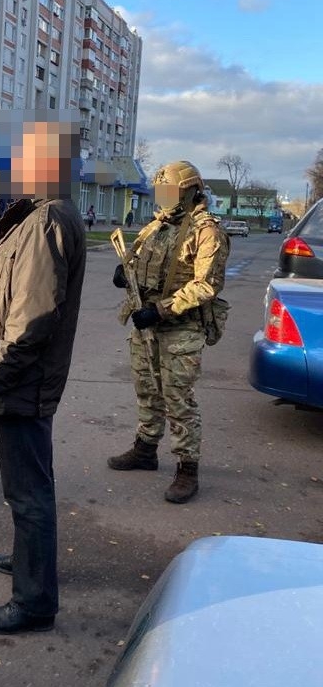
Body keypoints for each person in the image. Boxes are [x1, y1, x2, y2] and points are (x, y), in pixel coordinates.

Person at [0, 112, 86, 635]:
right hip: (20, 378)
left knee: (30, 492)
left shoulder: (47, 221)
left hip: (21, 381)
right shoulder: (35, 216)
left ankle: (34, 602)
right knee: (28, 487)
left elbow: (32, 318)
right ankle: (29, 558)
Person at [108, 160, 230, 503]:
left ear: (190, 191)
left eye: (170, 191)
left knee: (178, 398)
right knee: (147, 390)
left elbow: (206, 285)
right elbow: (137, 263)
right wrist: (124, 273)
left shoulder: (206, 231)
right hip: (145, 322)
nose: (163, 197)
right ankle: (145, 450)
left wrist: (161, 310)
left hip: (180, 328)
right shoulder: (156, 225)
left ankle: (187, 469)